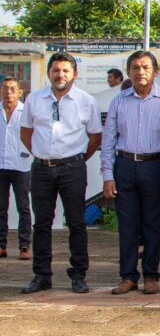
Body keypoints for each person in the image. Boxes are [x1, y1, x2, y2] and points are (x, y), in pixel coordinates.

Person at [19, 52, 102, 294]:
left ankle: (78, 275)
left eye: (66, 70)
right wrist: (39, 153)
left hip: (72, 169)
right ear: (49, 73)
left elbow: (95, 138)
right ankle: (41, 275)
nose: (60, 75)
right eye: (56, 70)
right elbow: (26, 133)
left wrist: (77, 159)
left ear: (75, 74)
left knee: (76, 222)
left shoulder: (86, 101)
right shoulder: (35, 99)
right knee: (42, 224)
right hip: (42, 168)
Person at [101, 51, 160, 295]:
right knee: (127, 225)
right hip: (124, 166)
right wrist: (107, 175)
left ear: (155, 72)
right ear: (128, 72)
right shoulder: (119, 101)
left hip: (156, 167)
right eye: (135, 67)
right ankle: (128, 276)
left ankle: (151, 276)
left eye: (146, 67)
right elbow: (108, 141)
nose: (140, 72)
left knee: (153, 224)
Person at [0, 79, 32, 260]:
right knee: (1, 207)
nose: (8, 92)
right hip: (0, 165)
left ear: (19, 92)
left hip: (21, 166)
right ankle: (1, 245)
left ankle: (25, 246)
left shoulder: (25, 112)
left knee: (23, 207)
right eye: (5, 88)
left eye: (13, 89)